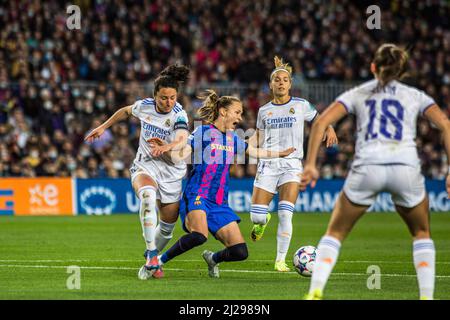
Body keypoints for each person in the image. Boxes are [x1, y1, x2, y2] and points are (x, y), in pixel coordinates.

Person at [301, 43, 450, 300]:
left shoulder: (359, 92)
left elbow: (322, 122)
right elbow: (446, 125)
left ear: (373, 67)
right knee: (421, 233)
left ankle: (316, 291)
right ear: (403, 70)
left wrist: (311, 164)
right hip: (405, 168)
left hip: (367, 167)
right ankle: (427, 296)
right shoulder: (415, 96)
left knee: (335, 232)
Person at [149, 90, 295, 278]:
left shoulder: (234, 138)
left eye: (241, 113)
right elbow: (183, 153)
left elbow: (255, 152)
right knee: (199, 236)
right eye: (237, 112)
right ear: (223, 112)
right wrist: (166, 150)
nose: (240, 117)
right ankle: (157, 261)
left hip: (219, 203)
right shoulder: (203, 131)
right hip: (198, 195)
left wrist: (280, 153)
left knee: (240, 252)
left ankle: (213, 259)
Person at [84, 64, 191, 279]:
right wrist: (104, 126)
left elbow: (181, 140)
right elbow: (125, 111)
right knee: (148, 196)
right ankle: (152, 252)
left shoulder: (180, 115)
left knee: (167, 228)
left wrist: (165, 147)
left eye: (172, 97)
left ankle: (151, 260)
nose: (168, 102)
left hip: (172, 171)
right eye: (163, 98)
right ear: (155, 96)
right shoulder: (144, 106)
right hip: (146, 165)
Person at [248, 56, 338, 272]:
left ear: (290, 84)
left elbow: (321, 118)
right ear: (271, 85)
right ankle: (262, 221)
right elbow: (258, 137)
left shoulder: (300, 105)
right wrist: (245, 147)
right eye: (277, 79)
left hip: (292, 165)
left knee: (286, 213)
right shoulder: (263, 111)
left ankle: (280, 260)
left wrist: (330, 127)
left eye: (285, 79)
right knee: (257, 216)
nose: (281, 82)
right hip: (268, 164)